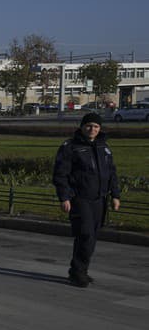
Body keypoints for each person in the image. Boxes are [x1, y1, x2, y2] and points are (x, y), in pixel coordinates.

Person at [52, 112, 121, 287]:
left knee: (90, 237)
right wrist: (64, 197)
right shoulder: (70, 147)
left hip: (99, 199)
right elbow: (61, 174)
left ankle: (78, 269)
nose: (92, 129)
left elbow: (111, 173)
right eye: (89, 126)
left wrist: (115, 195)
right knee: (85, 235)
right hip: (80, 198)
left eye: (96, 127)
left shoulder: (103, 147)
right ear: (82, 127)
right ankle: (78, 273)